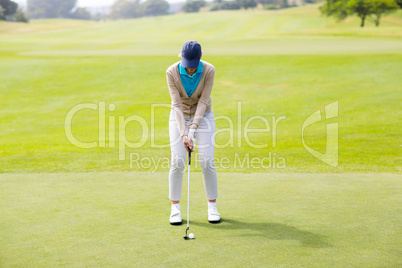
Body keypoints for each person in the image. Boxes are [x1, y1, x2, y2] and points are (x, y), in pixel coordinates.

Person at [166, 41, 220, 225]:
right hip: (179, 116)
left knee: (207, 160)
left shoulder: (209, 70)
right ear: (181, 57)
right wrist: (184, 133)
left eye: (193, 65)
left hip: (203, 115)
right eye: (187, 64)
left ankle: (212, 206)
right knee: (178, 161)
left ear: (200, 58)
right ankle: (175, 208)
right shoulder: (171, 72)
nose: (190, 70)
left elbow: (204, 101)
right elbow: (176, 104)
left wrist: (194, 128)